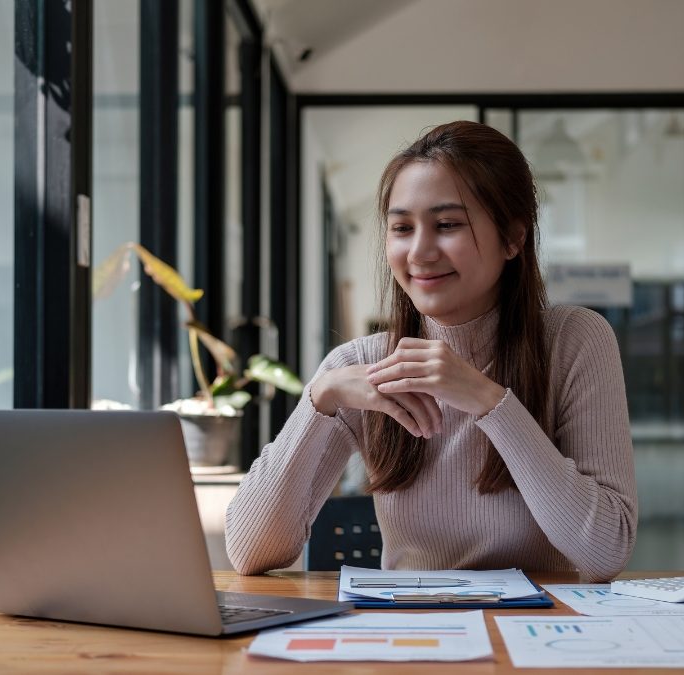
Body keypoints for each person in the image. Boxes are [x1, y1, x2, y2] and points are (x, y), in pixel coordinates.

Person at [226, 120, 637, 582]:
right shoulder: (359, 367)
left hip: (540, 636)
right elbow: (248, 551)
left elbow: (606, 551)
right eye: (402, 227)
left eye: (446, 225)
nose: (419, 252)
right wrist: (319, 399)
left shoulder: (575, 341)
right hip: (411, 637)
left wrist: (490, 402)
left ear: (513, 238)